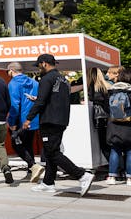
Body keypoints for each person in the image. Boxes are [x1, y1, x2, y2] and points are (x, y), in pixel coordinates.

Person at [24, 53, 94, 196]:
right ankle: (48, 182)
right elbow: (55, 98)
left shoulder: (46, 79)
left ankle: (82, 175)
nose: (38, 69)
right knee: (51, 151)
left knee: (52, 152)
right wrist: (38, 99)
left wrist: (29, 118)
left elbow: (41, 102)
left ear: (44, 63)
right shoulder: (63, 79)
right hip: (61, 120)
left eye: (38, 66)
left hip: (49, 120)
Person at [7, 62, 43, 181]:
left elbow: (14, 105)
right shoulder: (34, 82)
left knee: (16, 144)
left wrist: (12, 123)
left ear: (11, 71)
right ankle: (31, 171)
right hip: (33, 119)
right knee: (28, 144)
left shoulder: (13, 84)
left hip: (20, 120)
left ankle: (33, 166)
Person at [105, 68, 131, 185]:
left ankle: (112, 177)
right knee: (130, 151)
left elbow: (107, 108)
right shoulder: (129, 92)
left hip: (114, 125)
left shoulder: (111, 91)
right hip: (128, 125)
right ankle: (130, 178)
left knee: (115, 150)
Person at [87, 67, 112, 170]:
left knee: (104, 145)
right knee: (110, 145)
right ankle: (119, 169)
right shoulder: (107, 86)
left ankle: (116, 169)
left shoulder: (94, 86)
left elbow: (96, 99)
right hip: (109, 117)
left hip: (100, 118)